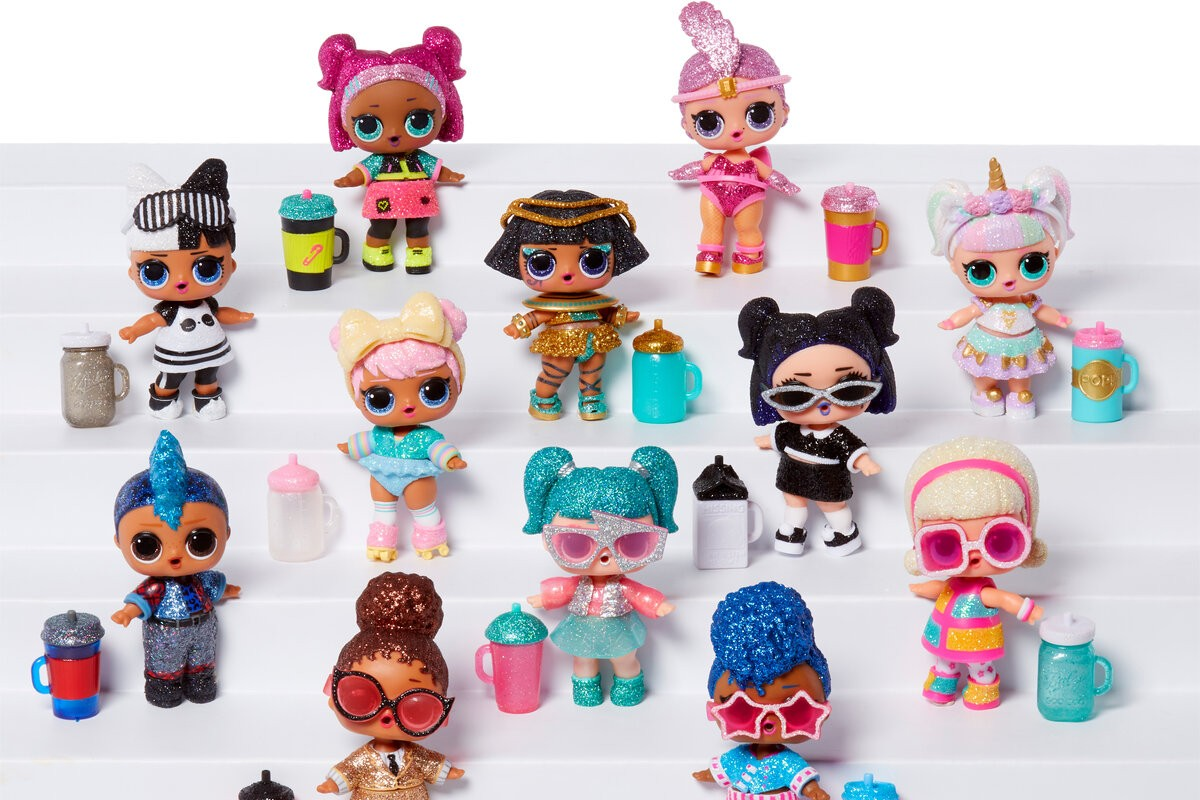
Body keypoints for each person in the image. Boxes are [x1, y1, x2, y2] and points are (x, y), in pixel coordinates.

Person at [737, 288, 898, 556]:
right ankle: (792, 532)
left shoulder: (838, 436)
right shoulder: (791, 431)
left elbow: (851, 449)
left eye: (849, 390)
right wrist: (767, 441)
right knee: (794, 503)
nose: (823, 405)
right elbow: (781, 437)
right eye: (795, 395)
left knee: (833, 507)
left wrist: (864, 462)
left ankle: (844, 533)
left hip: (829, 479)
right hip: (792, 474)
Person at [522, 445, 677, 706]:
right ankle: (586, 691)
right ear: (548, 541)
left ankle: (629, 688)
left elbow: (637, 593)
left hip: (620, 629)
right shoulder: (580, 583)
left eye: (632, 543)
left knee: (625, 659)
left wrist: (656, 604)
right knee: (582, 660)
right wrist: (545, 598)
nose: (604, 557)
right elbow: (565, 589)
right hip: (582, 629)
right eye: (576, 544)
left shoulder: (621, 585)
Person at [905, 436, 1047, 709]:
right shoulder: (953, 585)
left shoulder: (984, 591)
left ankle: (982, 691)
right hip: (943, 636)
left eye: (1000, 541)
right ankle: (942, 687)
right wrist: (922, 588)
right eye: (945, 544)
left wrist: (1028, 610)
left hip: (977, 641)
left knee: (980, 668)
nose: (973, 555)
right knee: (944, 663)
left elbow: (1005, 600)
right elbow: (940, 589)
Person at [928, 159, 1073, 418]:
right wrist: (952, 322)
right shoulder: (985, 303)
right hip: (988, 343)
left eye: (1032, 264)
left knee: (1022, 374)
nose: (1008, 279)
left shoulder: (1028, 300)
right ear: (954, 267)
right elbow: (969, 313)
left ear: (1055, 253)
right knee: (984, 373)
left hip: (1023, 344)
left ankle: (1020, 394)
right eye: (982, 270)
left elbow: (1043, 311)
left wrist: (1059, 319)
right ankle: (984, 391)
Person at [485, 190, 648, 421]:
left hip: (595, 340)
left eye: (593, 260)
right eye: (541, 262)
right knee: (554, 373)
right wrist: (520, 326)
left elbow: (604, 312)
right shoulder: (550, 304)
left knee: (593, 371)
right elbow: (538, 316)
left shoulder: (595, 301)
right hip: (560, 344)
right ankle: (543, 398)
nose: (568, 272)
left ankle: (591, 399)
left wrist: (619, 316)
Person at [331, 294, 467, 561]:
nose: (407, 405)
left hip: (417, 476)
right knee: (382, 510)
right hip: (381, 476)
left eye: (432, 390)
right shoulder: (380, 434)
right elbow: (367, 441)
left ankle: (431, 539)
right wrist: (350, 446)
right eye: (380, 398)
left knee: (423, 507)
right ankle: (381, 543)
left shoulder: (425, 436)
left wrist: (450, 458)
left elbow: (437, 447)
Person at [318, 30, 466, 273]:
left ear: (443, 114)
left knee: (419, 227)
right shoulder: (377, 162)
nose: (394, 133)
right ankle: (376, 251)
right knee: (381, 228)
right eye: (368, 125)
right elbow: (362, 172)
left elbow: (437, 169)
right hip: (383, 202)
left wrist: (450, 175)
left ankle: (418, 254)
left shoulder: (420, 159)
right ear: (345, 123)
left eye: (418, 120)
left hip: (419, 199)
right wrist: (348, 179)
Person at [110, 430, 240, 707]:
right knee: (163, 668)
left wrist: (228, 590)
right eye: (147, 545)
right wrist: (127, 612)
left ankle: (201, 684)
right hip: (163, 634)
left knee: (202, 664)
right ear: (119, 542)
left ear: (226, 533)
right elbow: (141, 600)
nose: (174, 555)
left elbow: (214, 587)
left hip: (203, 630)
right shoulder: (156, 586)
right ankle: (163, 690)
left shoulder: (201, 580)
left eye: (200, 541)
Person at [668, 1, 799, 275]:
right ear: (687, 125)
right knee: (710, 226)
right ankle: (709, 259)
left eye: (758, 114)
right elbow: (698, 168)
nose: (736, 129)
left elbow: (771, 176)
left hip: (748, 196)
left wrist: (785, 185)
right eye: (709, 121)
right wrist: (681, 172)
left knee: (748, 227)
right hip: (712, 194)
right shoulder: (714, 161)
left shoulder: (754, 163)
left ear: (784, 111)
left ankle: (750, 258)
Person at [119, 158, 253, 420]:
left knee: (209, 375)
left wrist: (239, 316)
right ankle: (162, 399)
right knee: (170, 377)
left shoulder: (206, 304)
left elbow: (221, 314)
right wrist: (134, 330)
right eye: (155, 272)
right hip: (175, 353)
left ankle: (207, 399)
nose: (181, 281)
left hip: (210, 350)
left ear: (231, 265)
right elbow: (153, 320)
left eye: (206, 268)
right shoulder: (170, 310)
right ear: (132, 273)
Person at [318, 572, 463, 799]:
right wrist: (333, 784)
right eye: (361, 699)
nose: (386, 717)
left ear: (442, 716)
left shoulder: (416, 756)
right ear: (332, 695)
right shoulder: (363, 758)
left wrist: (448, 771)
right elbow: (348, 771)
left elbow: (430, 763)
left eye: (417, 708)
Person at [695, 582, 832, 800]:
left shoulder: (787, 762)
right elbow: (724, 767)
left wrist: (812, 789)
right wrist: (708, 774)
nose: (768, 724)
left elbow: (801, 777)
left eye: (795, 710)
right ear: (713, 711)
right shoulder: (739, 757)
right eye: (740, 710)